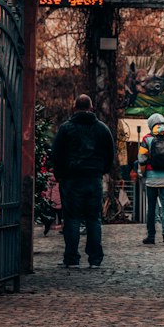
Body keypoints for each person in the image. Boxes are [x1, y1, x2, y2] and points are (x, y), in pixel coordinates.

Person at [50, 93, 115, 269]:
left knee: (72, 219)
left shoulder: (66, 129)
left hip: (71, 180)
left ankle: (72, 258)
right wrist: (102, 170)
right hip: (93, 178)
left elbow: (56, 154)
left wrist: (60, 174)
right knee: (94, 219)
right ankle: (95, 258)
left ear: (74, 108)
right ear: (92, 108)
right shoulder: (102, 129)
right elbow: (110, 153)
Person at [138, 112, 164, 245]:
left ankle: (151, 236)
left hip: (151, 178)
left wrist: (141, 173)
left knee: (152, 206)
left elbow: (141, 159)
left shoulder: (146, 139)